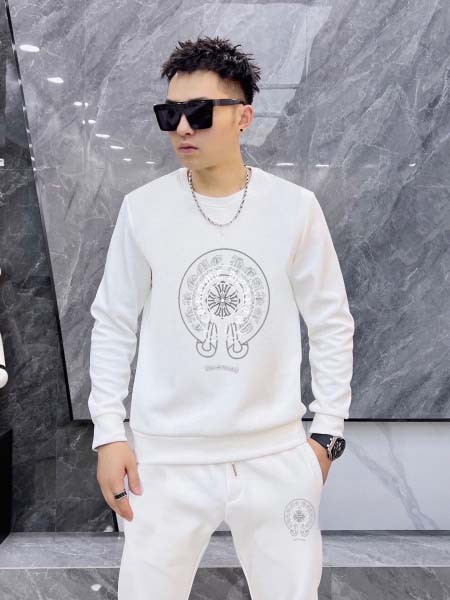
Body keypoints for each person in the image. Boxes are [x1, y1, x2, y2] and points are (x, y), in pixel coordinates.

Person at [88, 35, 354, 600]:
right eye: (170, 114)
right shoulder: (143, 209)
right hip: (165, 460)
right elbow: (113, 323)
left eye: (200, 112)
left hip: (275, 456)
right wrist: (109, 435)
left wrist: (327, 435)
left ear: (243, 117)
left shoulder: (295, 208)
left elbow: (331, 321)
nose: (182, 128)